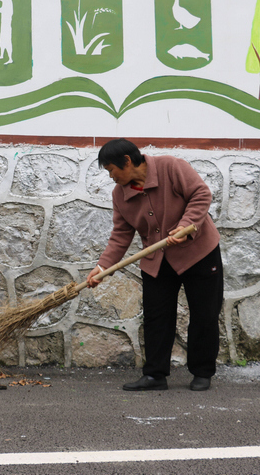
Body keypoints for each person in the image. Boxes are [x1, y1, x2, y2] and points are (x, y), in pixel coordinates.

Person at [86, 139, 223, 392]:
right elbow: (121, 234)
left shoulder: (171, 167)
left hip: (199, 253)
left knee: (204, 314)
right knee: (156, 317)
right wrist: (103, 267)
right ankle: (155, 375)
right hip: (157, 260)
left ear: (127, 161)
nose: (111, 177)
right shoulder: (120, 195)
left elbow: (201, 194)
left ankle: (202, 372)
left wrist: (185, 225)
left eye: (111, 170)